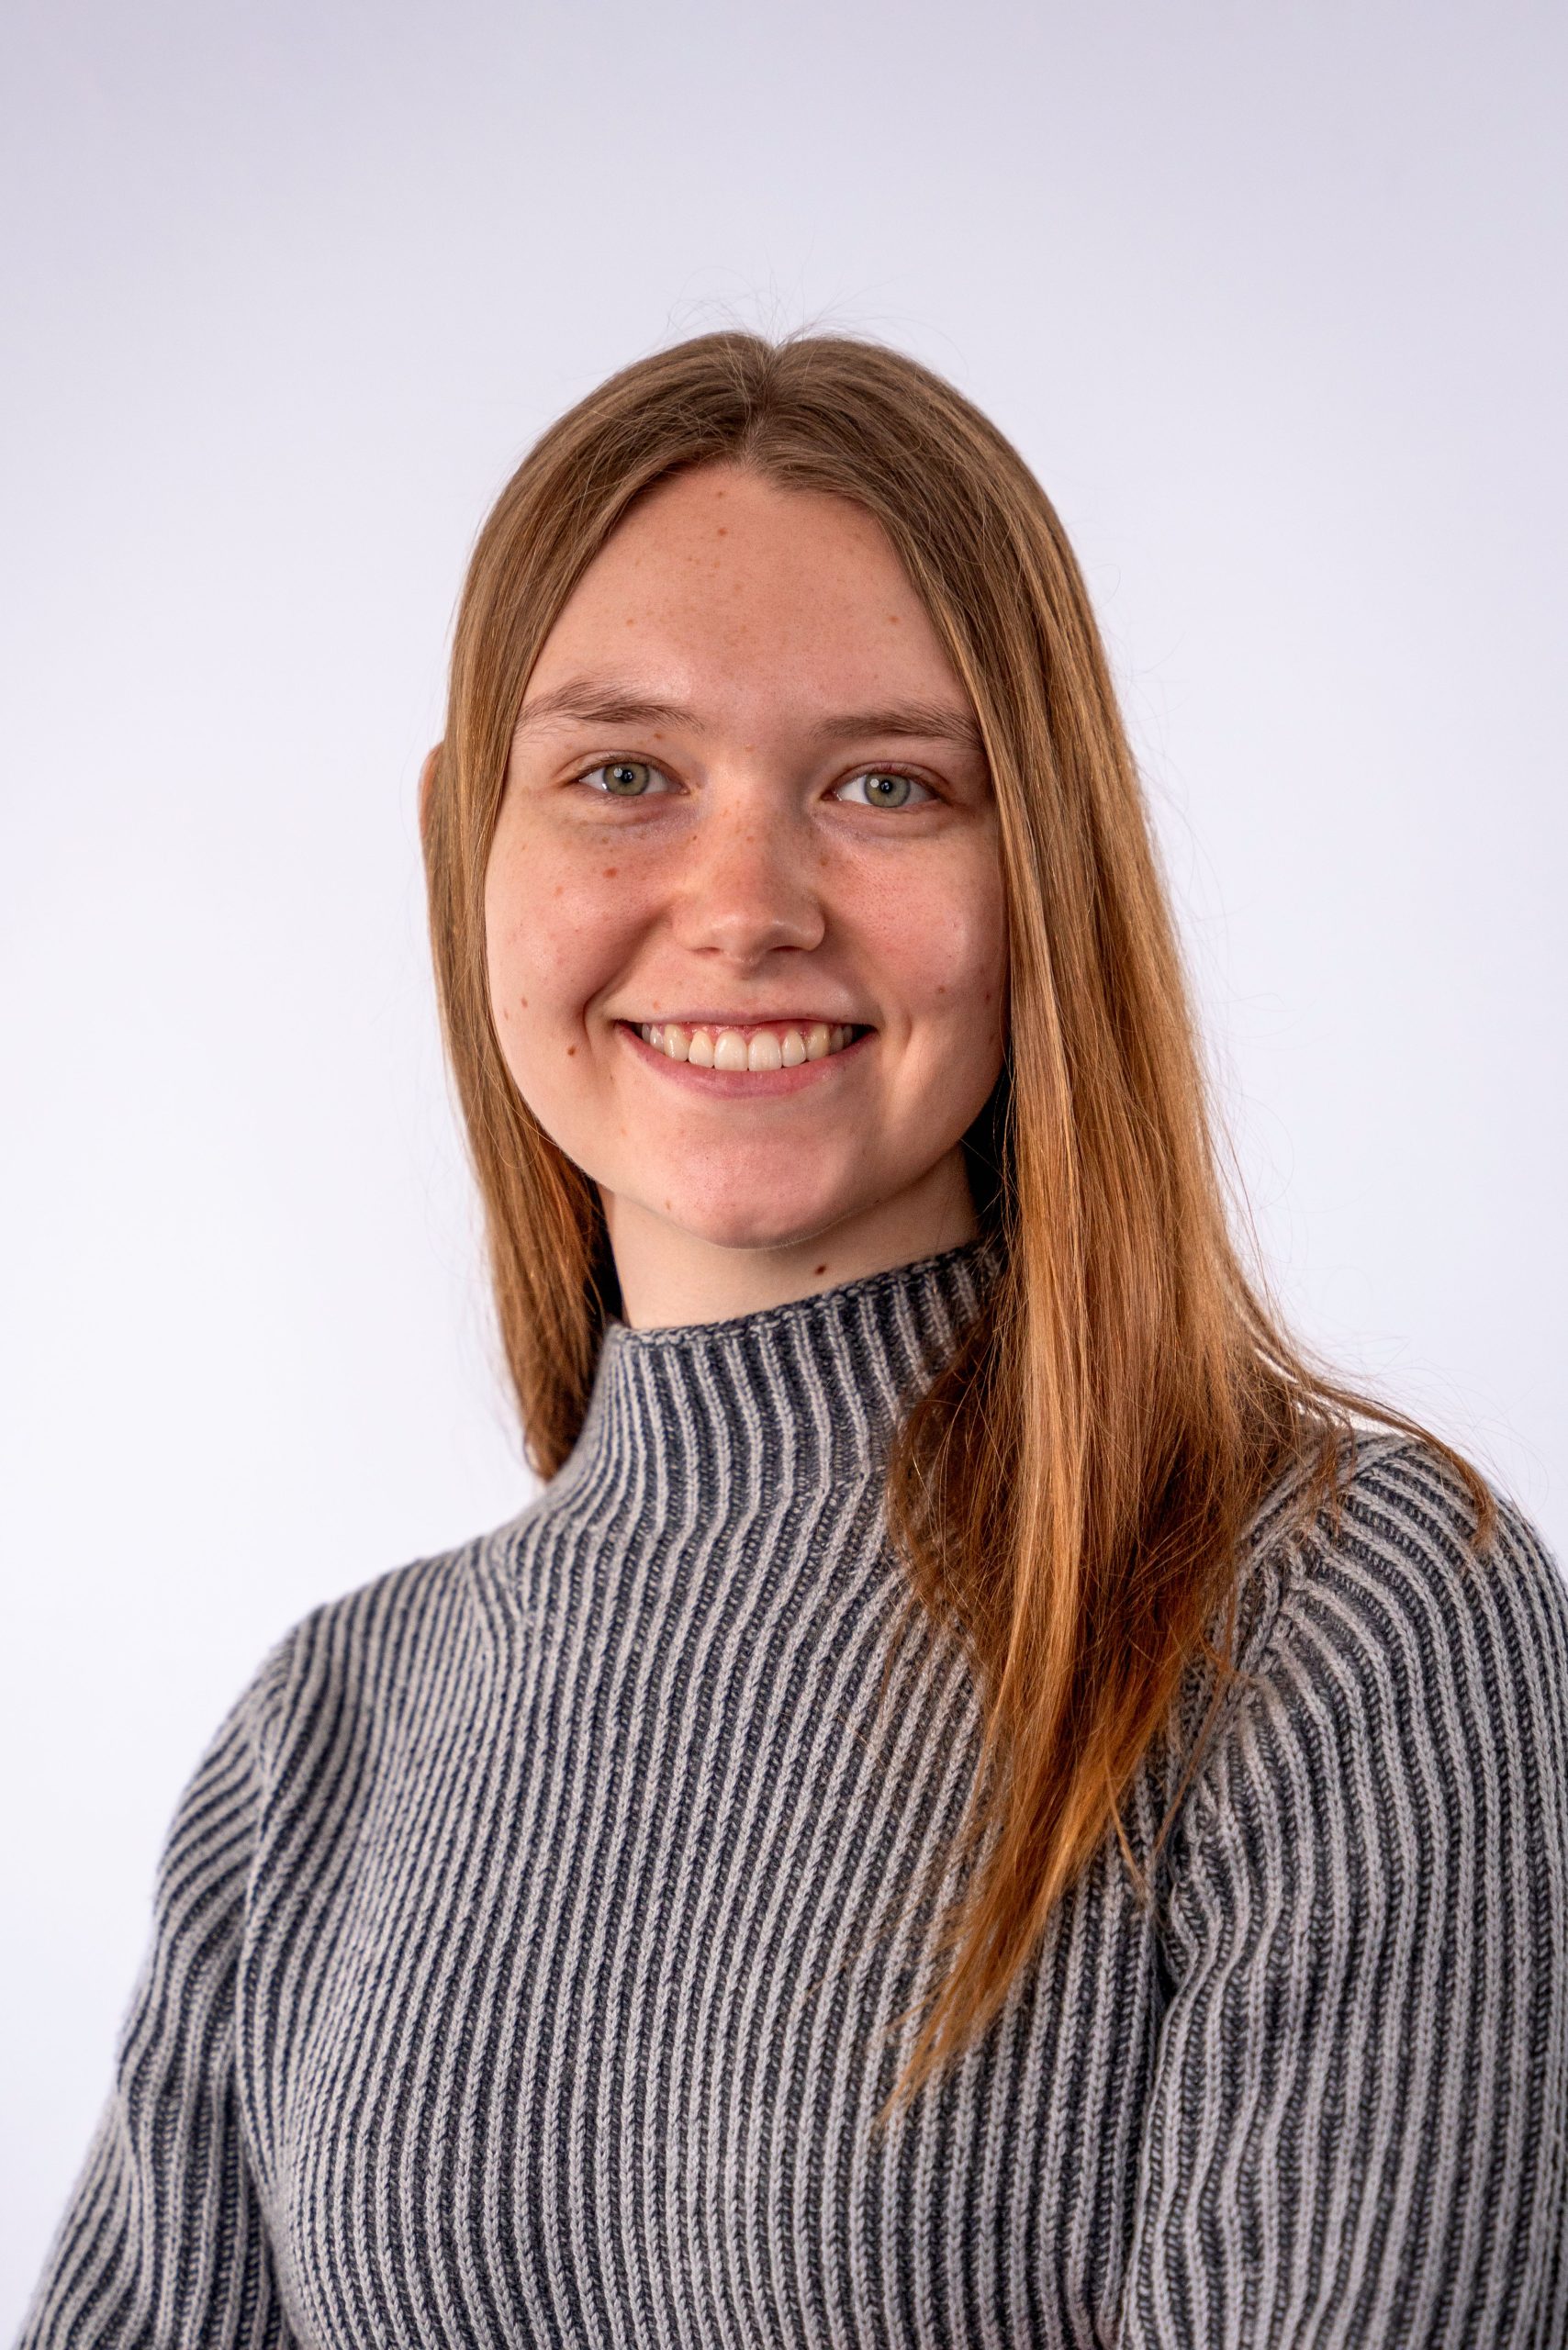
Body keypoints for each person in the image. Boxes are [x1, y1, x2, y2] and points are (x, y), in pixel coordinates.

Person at [19, 332, 1568, 2350]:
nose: (744, 902)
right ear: (464, 845)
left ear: (1045, 866)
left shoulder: (1337, 1619)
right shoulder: (324, 1742)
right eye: (624, 774)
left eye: (885, 785)